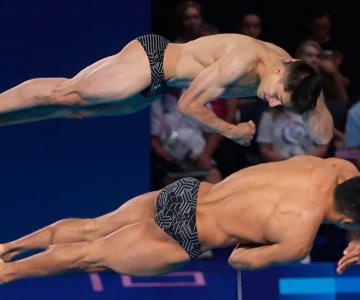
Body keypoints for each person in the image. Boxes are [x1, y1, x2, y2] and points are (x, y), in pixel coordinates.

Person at [1, 155, 360, 283]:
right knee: (90, 255)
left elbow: (352, 183)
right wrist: (262, 234)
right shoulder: (298, 240)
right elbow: (237, 259)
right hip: (185, 234)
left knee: (94, 225)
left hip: (189, 191)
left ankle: (8, 248)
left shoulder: (330, 167)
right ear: (345, 219)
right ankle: (7, 273)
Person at [0, 33, 333, 145]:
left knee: (75, 110)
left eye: (281, 102)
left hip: (161, 86)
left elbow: (323, 137)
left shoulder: (292, 74)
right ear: (279, 70)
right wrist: (230, 131)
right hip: (151, 61)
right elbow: (188, 105)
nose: (272, 104)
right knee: (66, 93)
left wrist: (312, 104)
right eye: (277, 95)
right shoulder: (242, 61)